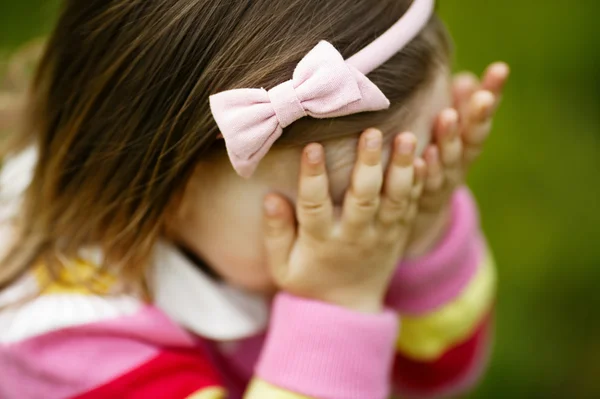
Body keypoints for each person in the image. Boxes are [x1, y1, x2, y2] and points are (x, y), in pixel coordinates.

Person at [0, 0, 509, 398]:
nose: (381, 222)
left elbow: (439, 372)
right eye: (342, 199)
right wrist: (337, 305)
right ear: (172, 183)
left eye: (414, 173)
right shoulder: (63, 343)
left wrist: (427, 229)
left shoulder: (272, 245)